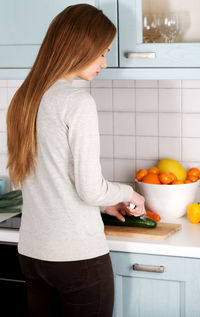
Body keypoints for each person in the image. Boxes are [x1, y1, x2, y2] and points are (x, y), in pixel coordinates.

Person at [6, 4, 145, 317]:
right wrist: (128, 193)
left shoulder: (24, 98)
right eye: (101, 53)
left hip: (33, 255)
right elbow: (90, 189)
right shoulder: (77, 101)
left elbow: (49, 178)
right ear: (80, 47)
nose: (104, 64)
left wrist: (101, 204)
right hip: (77, 260)